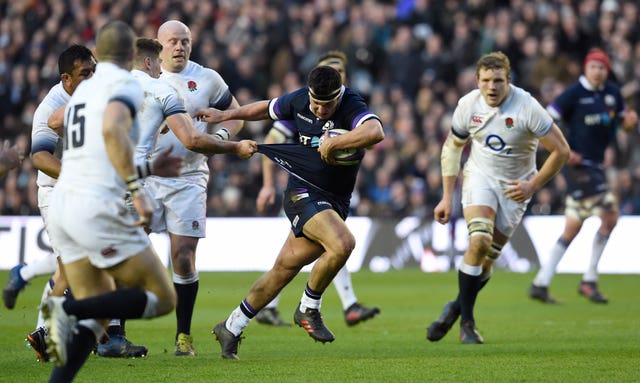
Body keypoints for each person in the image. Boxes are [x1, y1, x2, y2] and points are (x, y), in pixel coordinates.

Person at [197, 65, 384, 360]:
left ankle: (231, 326)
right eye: (316, 103)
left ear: (340, 95)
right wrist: (226, 115)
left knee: (282, 270)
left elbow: (375, 131)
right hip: (302, 193)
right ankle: (309, 308)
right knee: (343, 243)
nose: (321, 110)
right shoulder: (298, 100)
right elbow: (265, 109)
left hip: (336, 200)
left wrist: (336, 141)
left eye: (328, 104)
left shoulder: (351, 103)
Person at [41, 21, 180, 381]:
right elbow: (111, 131)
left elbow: (59, 121)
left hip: (63, 206)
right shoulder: (126, 85)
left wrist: (149, 165)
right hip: (98, 205)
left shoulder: (83, 91)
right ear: (133, 57)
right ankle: (69, 308)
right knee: (163, 298)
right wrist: (138, 190)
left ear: (98, 55)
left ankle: (71, 326)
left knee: (98, 317)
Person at [426, 51, 569, 344]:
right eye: (486, 80)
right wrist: (445, 197)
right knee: (478, 242)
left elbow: (561, 151)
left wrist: (533, 185)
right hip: (479, 178)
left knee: (487, 260)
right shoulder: (468, 105)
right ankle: (467, 324)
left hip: (516, 188)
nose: (492, 87)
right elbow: (452, 148)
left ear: (509, 81)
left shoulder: (528, 107)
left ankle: (455, 307)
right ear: (477, 81)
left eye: (498, 81)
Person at [255, 51, 380, 327]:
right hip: (303, 190)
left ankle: (258, 311)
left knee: (316, 252)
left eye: (340, 72)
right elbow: (272, 139)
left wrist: (343, 141)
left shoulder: (350, 109)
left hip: (336, 189)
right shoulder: (301, 110)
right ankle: (341, 305)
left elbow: (371, 139)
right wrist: (266, 185)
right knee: (332, 245)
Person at [154, 20, 246, 356]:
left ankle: (183, 337)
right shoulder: (143, 78)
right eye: (172, 42)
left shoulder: (207, 78)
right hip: (146, 177)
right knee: (128, 250)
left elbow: (235, 113)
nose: (179, 47)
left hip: (189, 179)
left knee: (183, 257)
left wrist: (221, 136)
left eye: (185, 41)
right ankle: (116, 333)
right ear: (158, 45)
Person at [528, 48, 638, 304]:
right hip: (577, 167)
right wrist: (562, 149)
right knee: (610, 215)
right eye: (594, 67)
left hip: (596, 165)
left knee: (573, 227)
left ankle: (540, 282)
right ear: (586, 69)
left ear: (607, 70)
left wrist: (630, 122)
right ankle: (589, 280)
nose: (598, 71)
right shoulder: (572, 95)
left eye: (602, 67)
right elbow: (546, 120)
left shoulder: (612, 94)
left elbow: (624, 122)